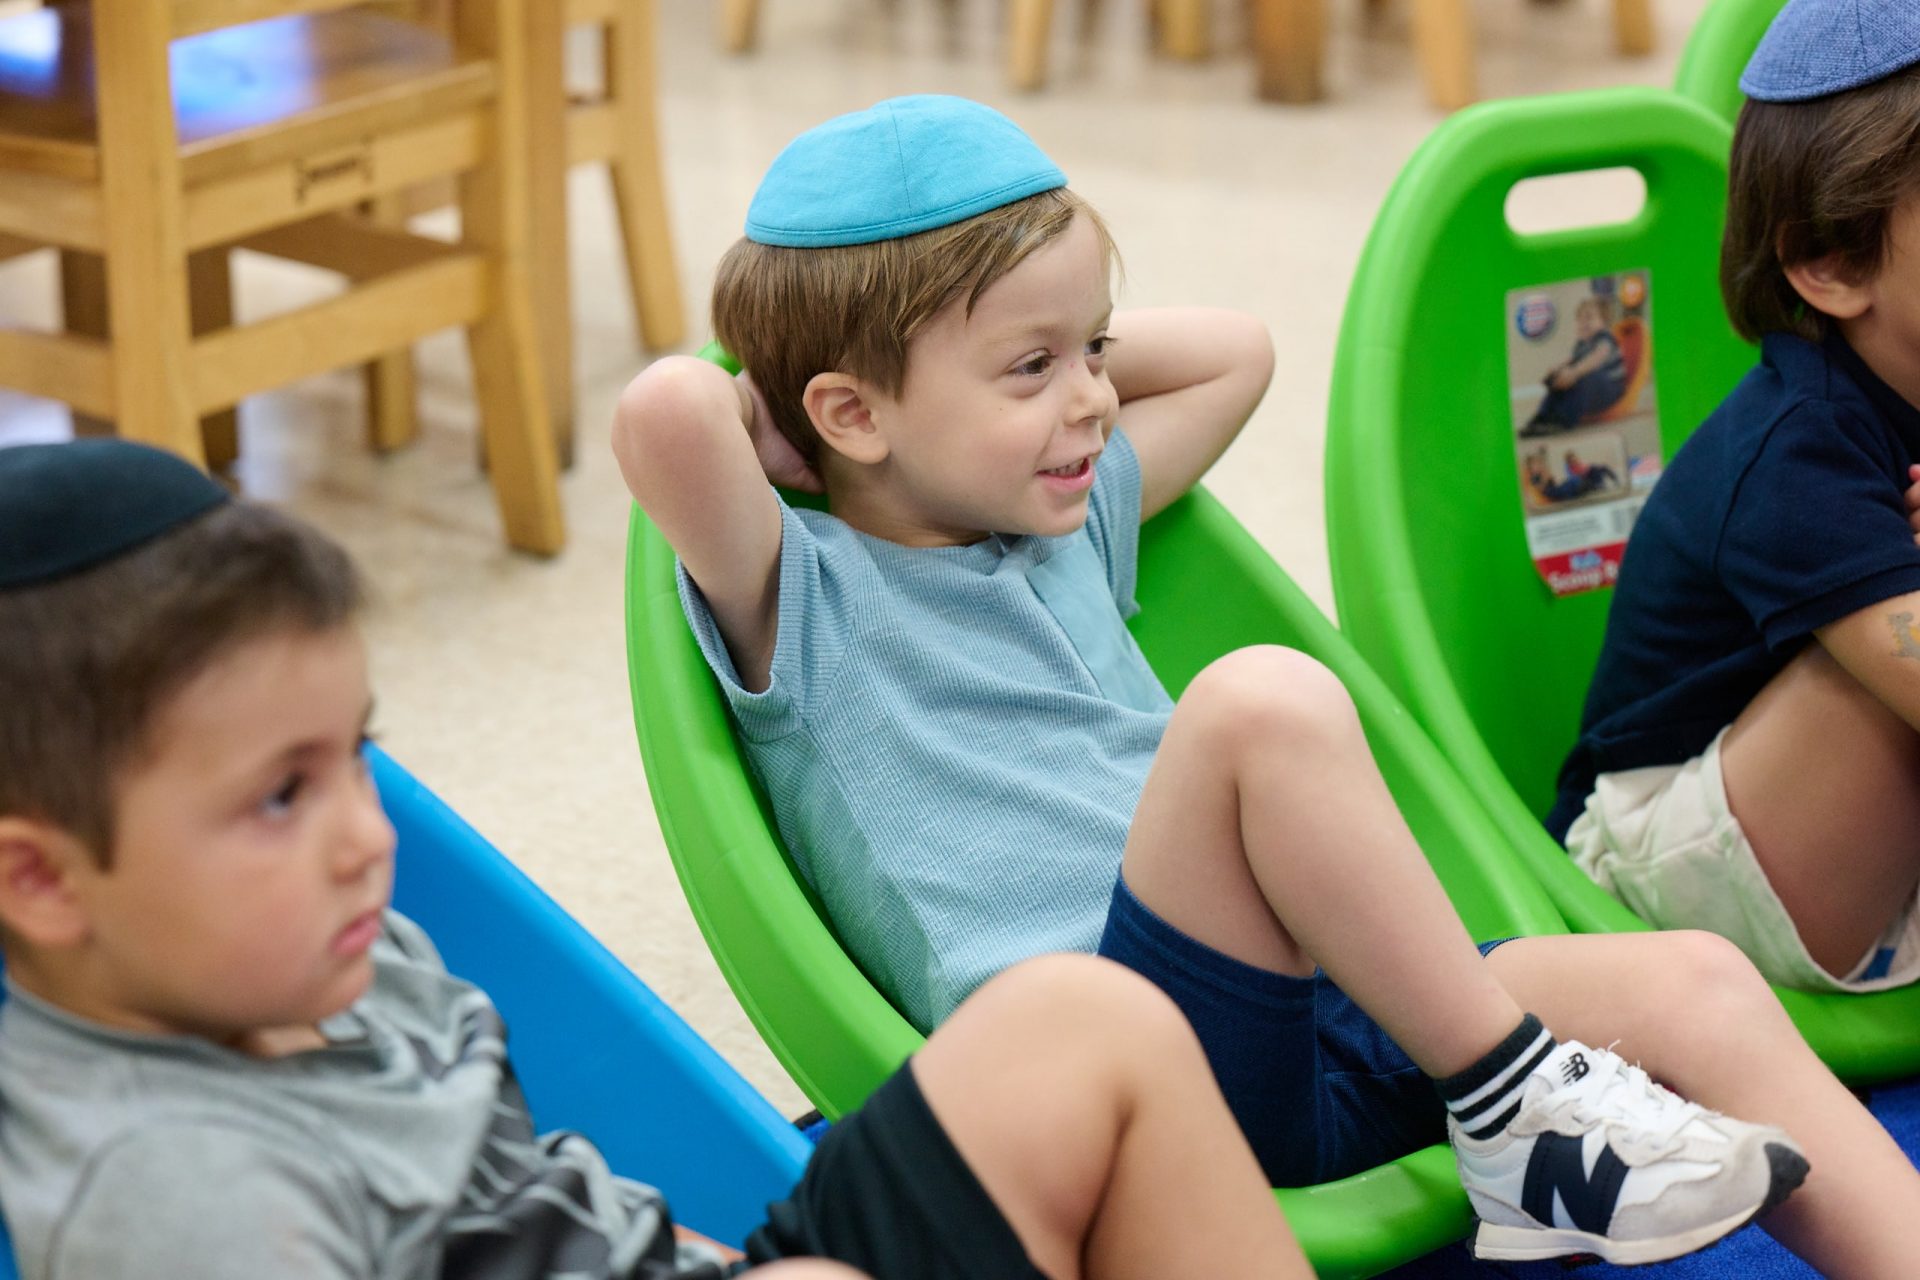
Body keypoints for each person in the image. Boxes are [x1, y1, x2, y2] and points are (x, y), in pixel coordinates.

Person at [615, 93, 1920, 1273]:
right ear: (847, 415)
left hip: (1327, 1016)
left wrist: (1024, 367)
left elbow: (1237, 351)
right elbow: (668, 412)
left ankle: (1538, 1111)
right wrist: (782, 415)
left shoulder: (1068, 519)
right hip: (1136, 1073)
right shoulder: (801, 592)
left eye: (1096, 350)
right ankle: (1520, 1106)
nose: (1093, 402)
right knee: (1257, 703)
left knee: (1692, 983)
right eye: (1033, 368)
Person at [0, 440, 1314, 1280]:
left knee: (1080, 1023)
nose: (367, 834)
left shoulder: (311, 950)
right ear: (44, 882)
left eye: (357, 754)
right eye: (282, 798)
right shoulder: (172, 1194)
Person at [1549, 0, 1920, 1004]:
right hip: (1662, 867)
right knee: (1888, 679)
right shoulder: (1799, 448)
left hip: (1824, 849)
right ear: (1834, 262)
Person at [1519, 295, 1629, 437]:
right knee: (1559, 382)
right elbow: (1571, 360)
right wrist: (1557, 370)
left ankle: (1563, 420)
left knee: (1585, 377)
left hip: (1611, 389)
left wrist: (1575, 372)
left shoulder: (1604, 337)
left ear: (1604, 321)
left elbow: (1597, 357)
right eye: (1580, 319)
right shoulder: (1582, 344)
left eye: (1589, 318)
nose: (1583, 323)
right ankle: (1543, 417)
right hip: (1593, 391)